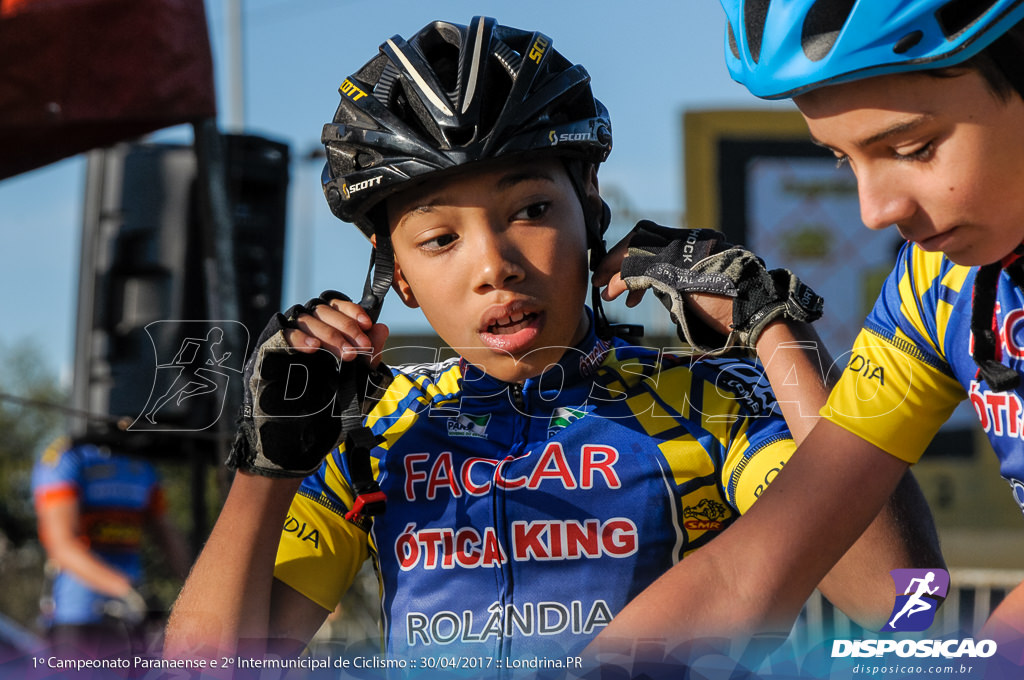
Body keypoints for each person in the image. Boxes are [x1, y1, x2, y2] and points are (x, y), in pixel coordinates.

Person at [163, 16, 940, 665]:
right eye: (439, 239)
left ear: (591, 211)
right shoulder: (377, 431)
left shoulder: (708, 404)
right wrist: (267, 466)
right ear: (394, 277)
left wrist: (770, 323)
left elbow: (903, 601)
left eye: (530, 209)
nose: (495, 266)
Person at [589, 0, 1024, 660]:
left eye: (913, 148)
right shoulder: (938, 284)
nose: (876, 211)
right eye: (845, 161)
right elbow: (758, 568)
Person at [31, 436, 190, 655]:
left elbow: (167, 534)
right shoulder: (67, 457)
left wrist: (194, 587)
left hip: (133, 619)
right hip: (78, 618)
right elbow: (62, 546)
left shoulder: (142, 463)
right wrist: (128, 590)